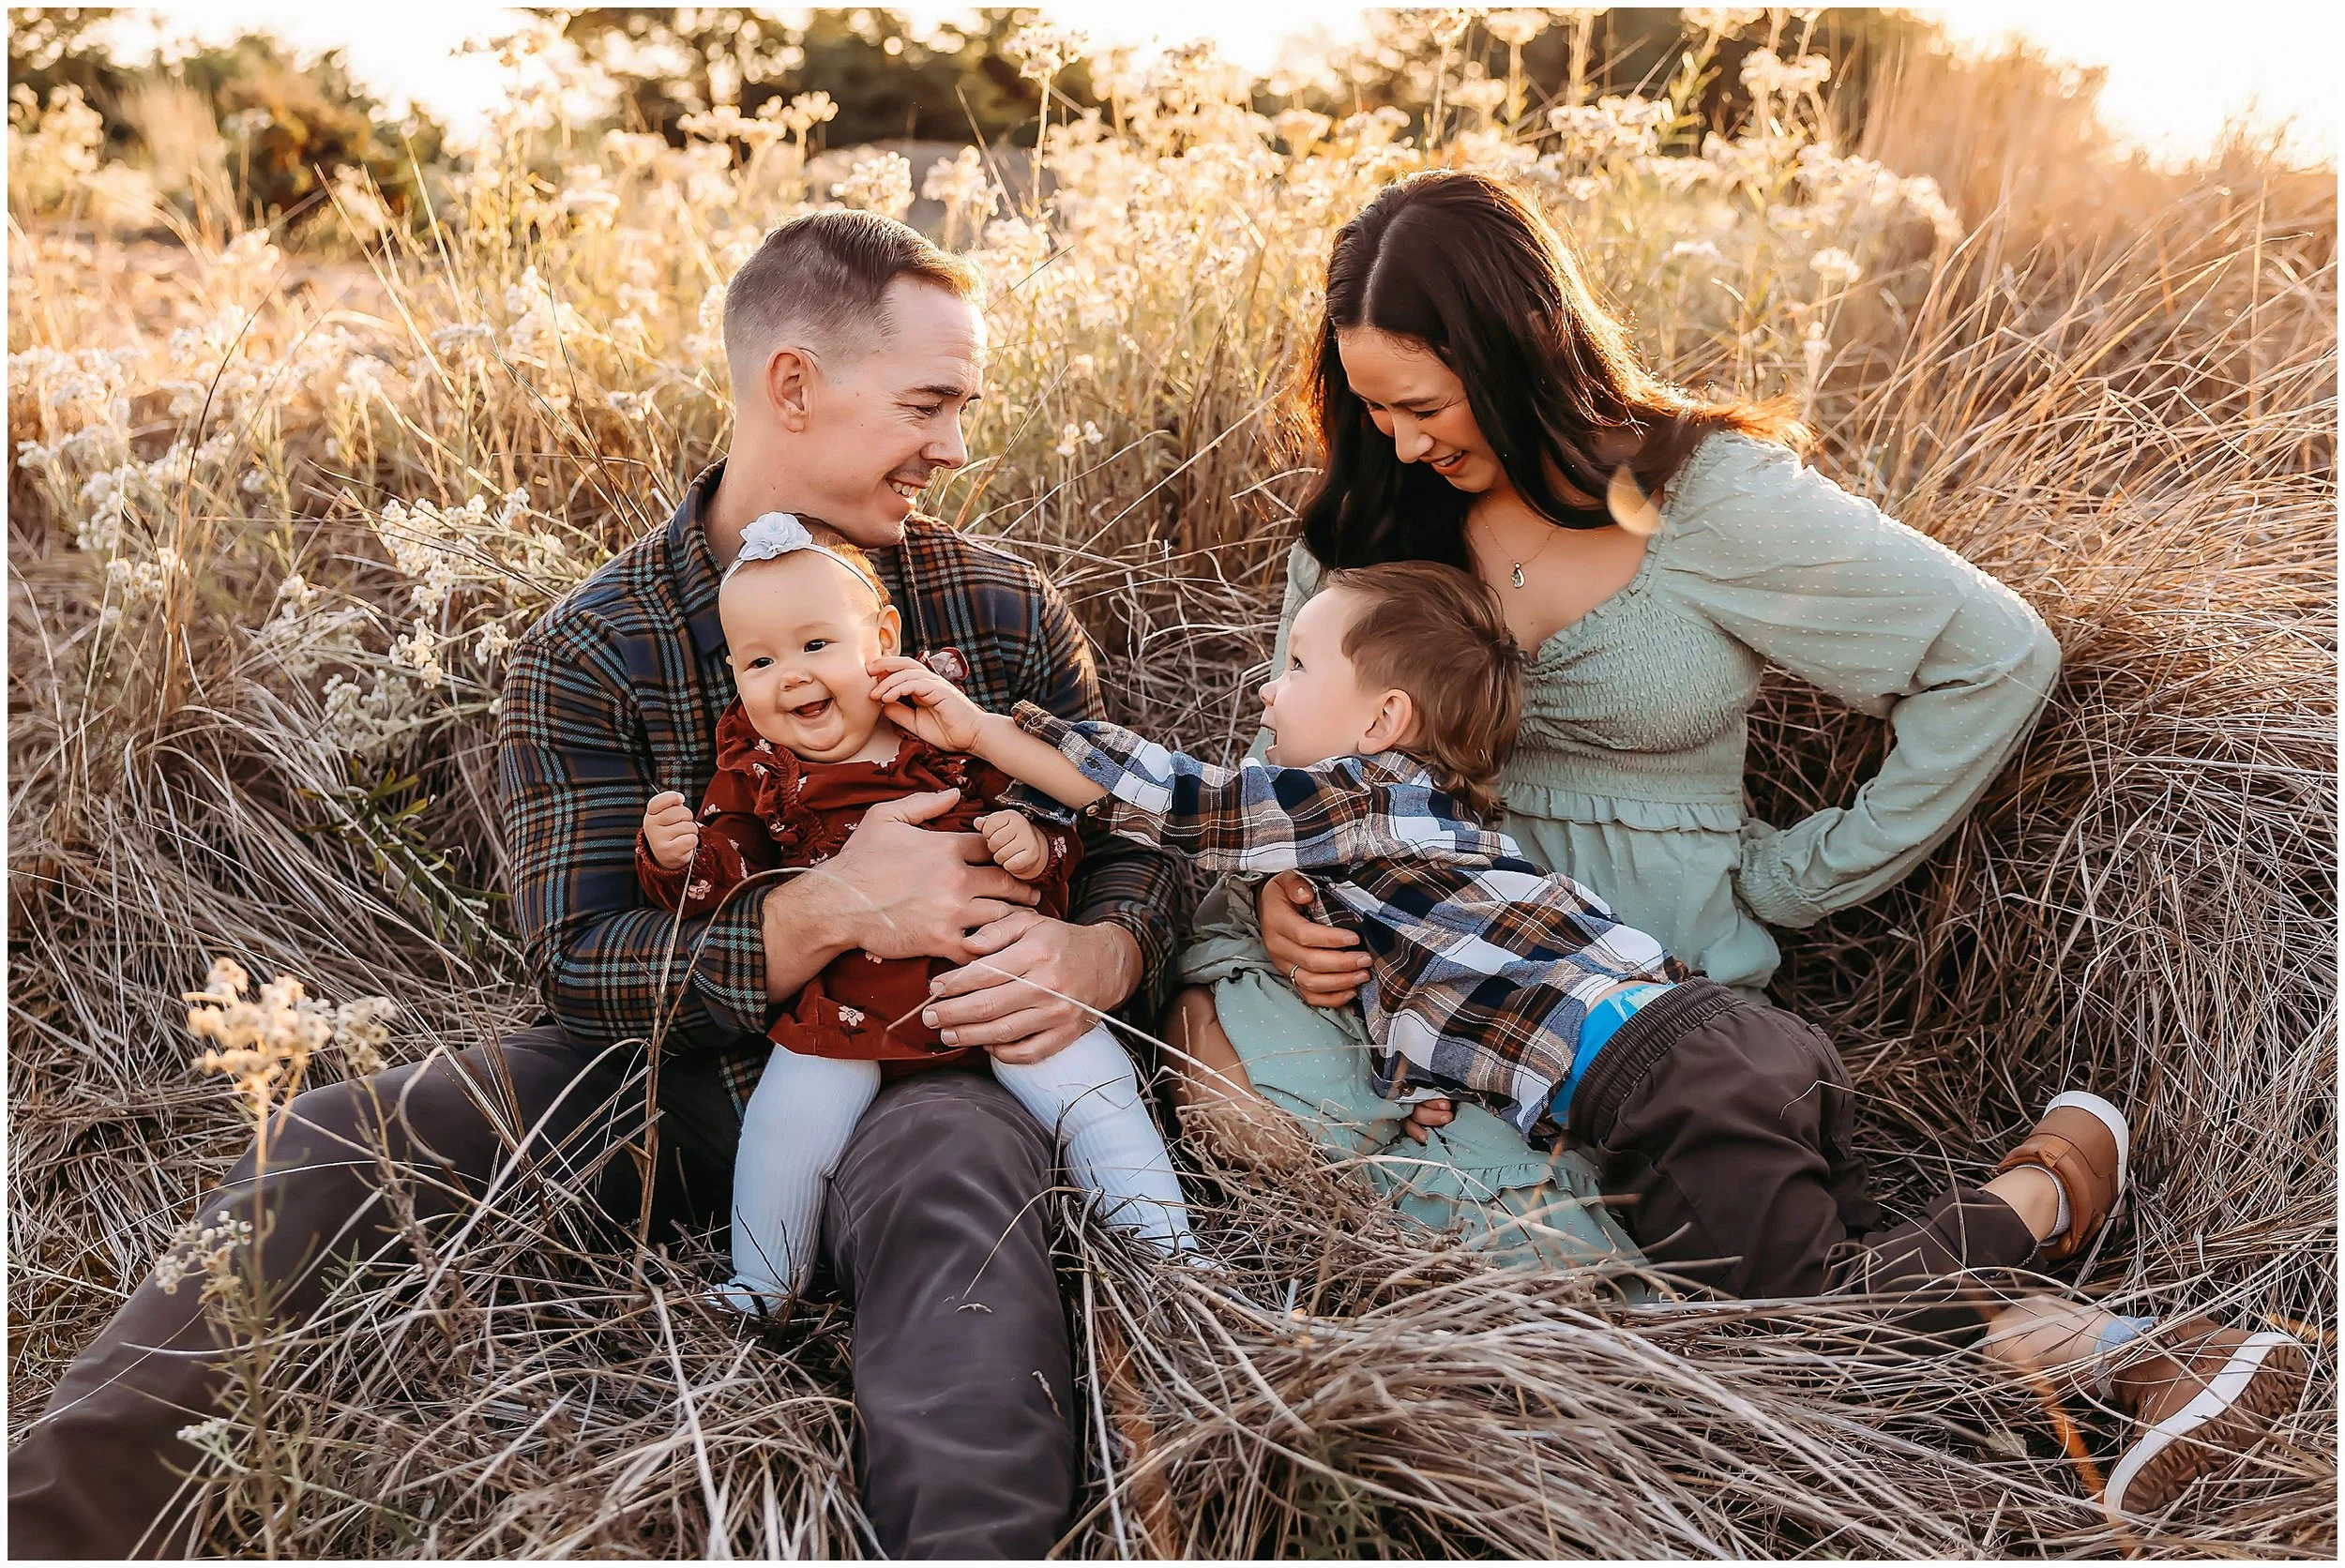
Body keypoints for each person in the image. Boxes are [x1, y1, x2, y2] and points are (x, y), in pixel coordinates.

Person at [7, 210, 1183, 1559]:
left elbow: (1138, 829)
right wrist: (835, 908)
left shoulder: (1000, 609)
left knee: (960, 1227)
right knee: (339, 1145)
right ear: (792, 383)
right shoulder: (594, 645)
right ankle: (46, 1533)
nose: (956, 447)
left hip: (932, 1062)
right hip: (657, 1079)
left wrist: (1104, 956)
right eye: (930, 404)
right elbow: (576, 960)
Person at [874, 554, 2311, 1520]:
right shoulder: (1417, 841)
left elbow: (1170, 796)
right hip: (1720, 1044)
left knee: (1804, 1319)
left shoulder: (1359, 792)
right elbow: (1441, 1003)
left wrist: (981, 728)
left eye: (1293, 662)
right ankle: (2150, 1361)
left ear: (1380, 718)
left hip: (1664, 1080)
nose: (1265, 686)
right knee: (1871, 1269)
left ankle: (2046, 1188)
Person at [1173, 166, 2064, 1268]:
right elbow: (1281, 757)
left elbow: (1993, 658)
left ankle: (2042, 1243)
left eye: (1424, 406)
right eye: (1370, 406)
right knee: (1226, 1088)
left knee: (1625, 1258)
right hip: (1404, 970)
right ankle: (2042, 1285)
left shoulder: (1708, 498)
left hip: (1630, 994)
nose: (1400, 442)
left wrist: (1794, 877)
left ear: (1517, 353)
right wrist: (1283, 897)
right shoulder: (1368, 522)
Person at [637, 511, 1193, 1307]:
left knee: (1093, 1092)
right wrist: (678, 856)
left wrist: (1029, 844)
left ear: (884, 640)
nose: (790, 674)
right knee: (786, 1128)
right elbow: (730, 889)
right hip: (847, 1012)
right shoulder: (759, 775)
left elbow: (1060, 821)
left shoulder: (944, 736)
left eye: (816, 645)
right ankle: (764, 1283)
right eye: (759, 660)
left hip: (994, 985)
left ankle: (1173, 1260)